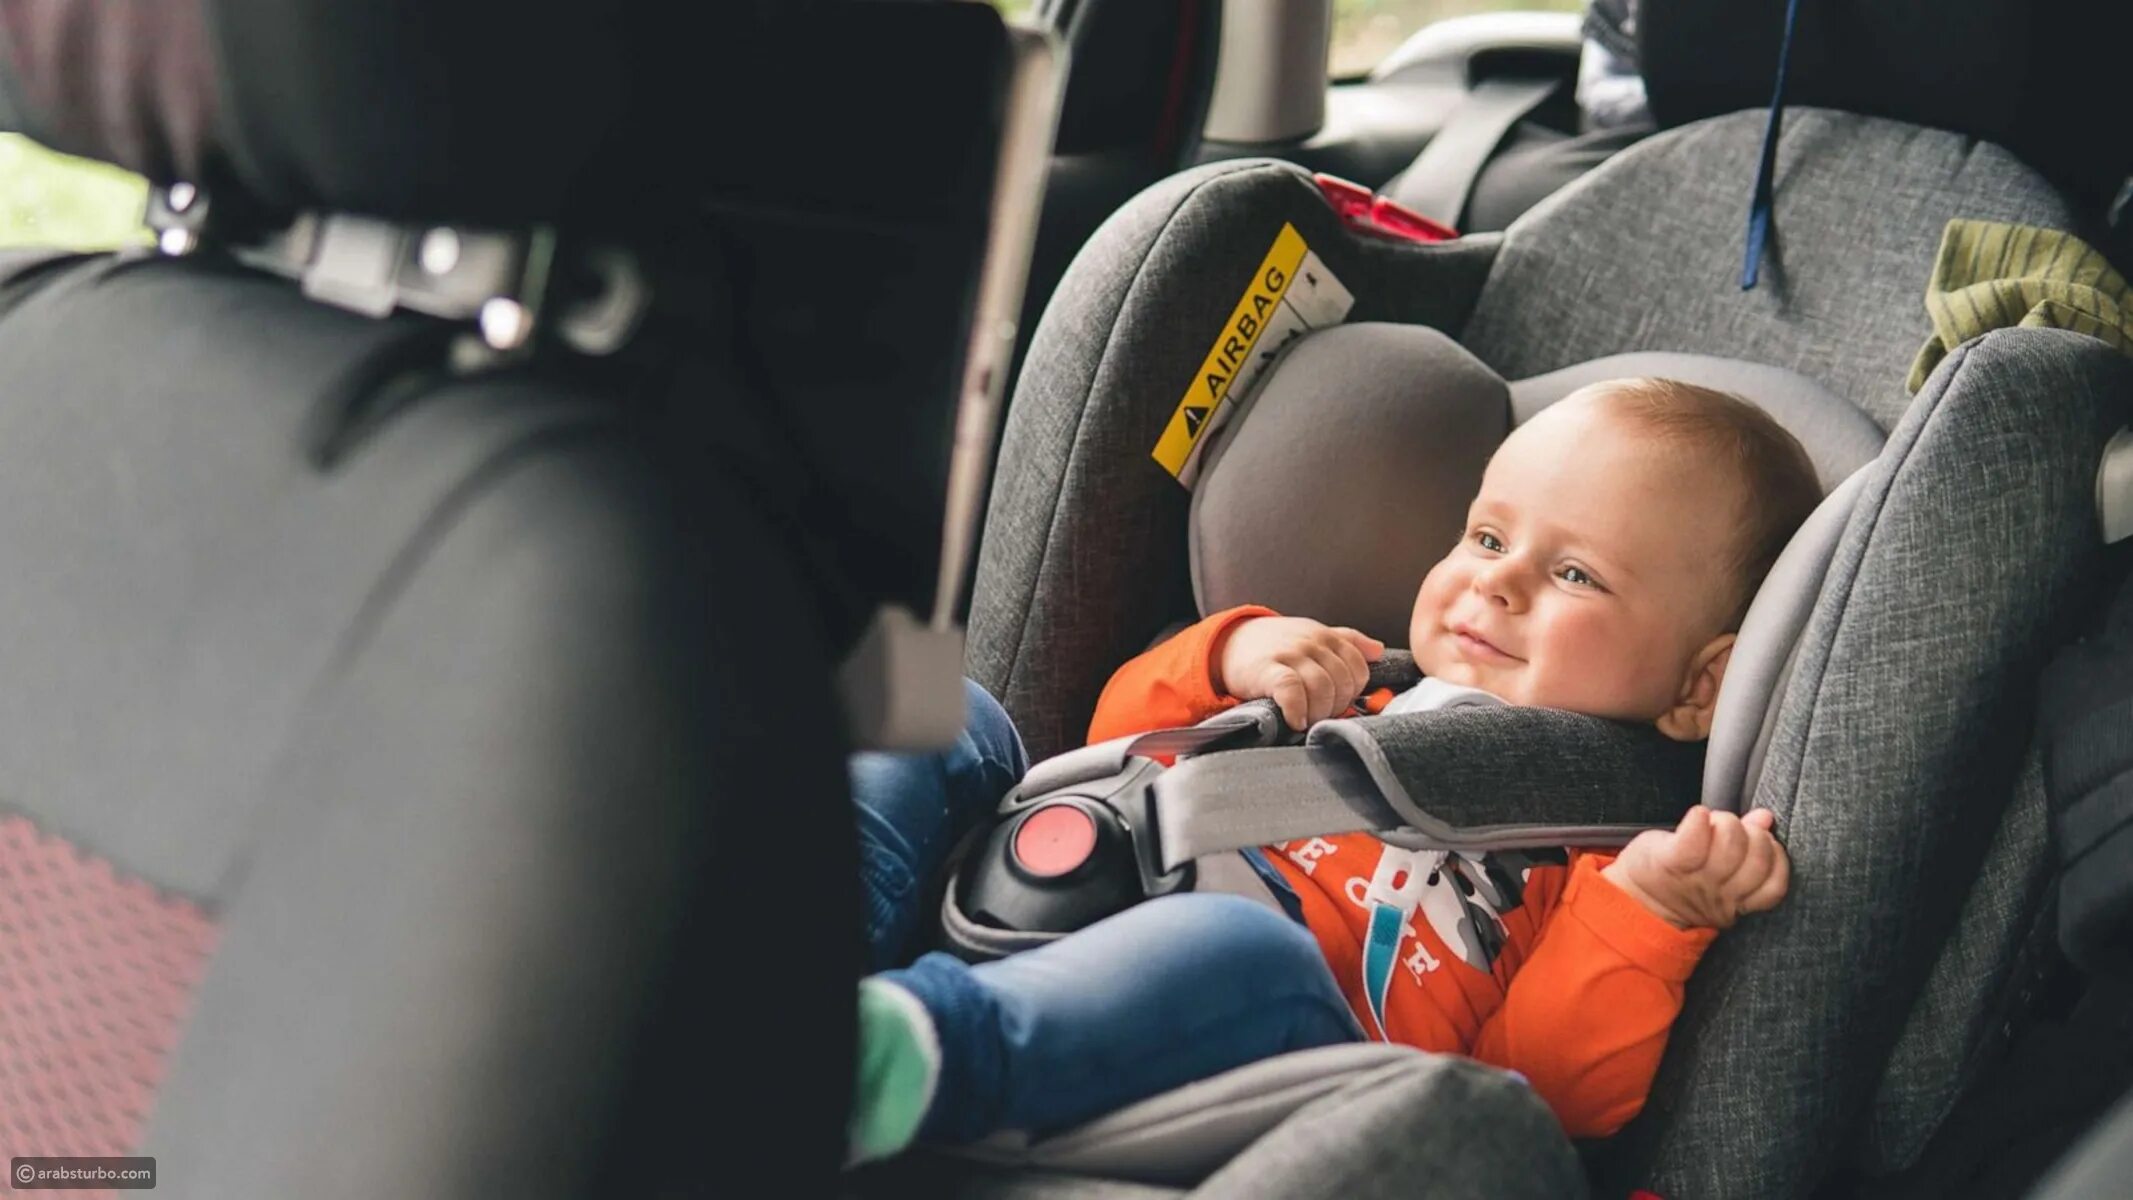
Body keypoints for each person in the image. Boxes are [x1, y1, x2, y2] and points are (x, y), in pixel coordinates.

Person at [847, 378, 1822, 1164]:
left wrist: (1652, 916)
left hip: (1257, 1039)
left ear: (1700, 687)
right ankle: (798, 954)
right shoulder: (1358, 694)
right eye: (1487, 537)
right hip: (1047, 884)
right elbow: (1112, 753)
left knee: (1240, 950)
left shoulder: (1601, 865)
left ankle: (878, 1065)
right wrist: (1228, 656)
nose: (1496, 581)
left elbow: (1543, 1091)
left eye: (1575, 574)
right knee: (947, 708)